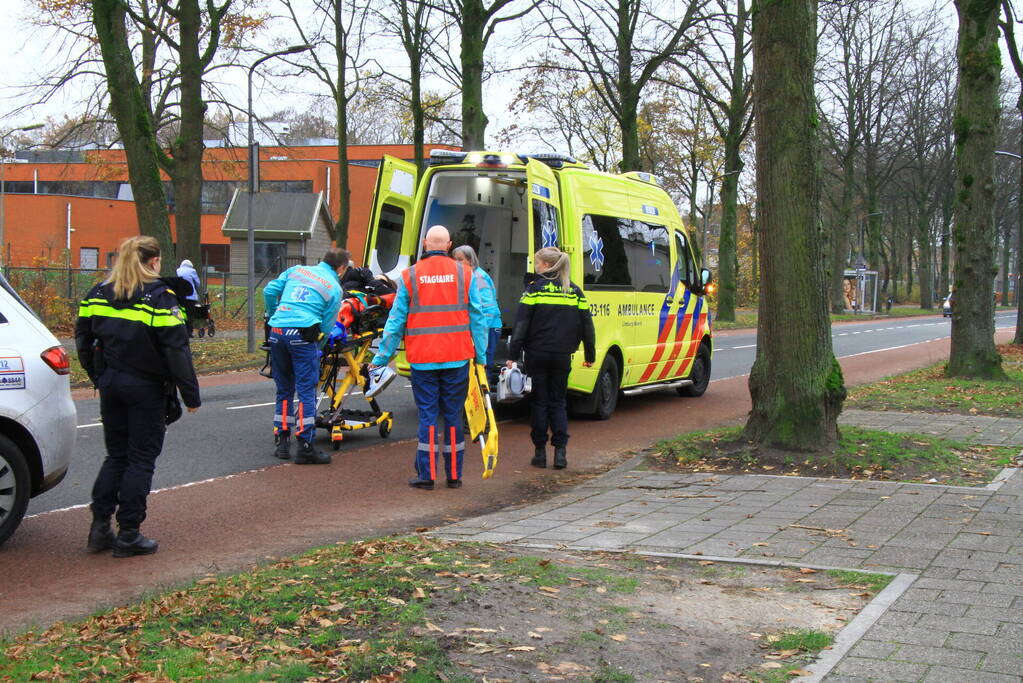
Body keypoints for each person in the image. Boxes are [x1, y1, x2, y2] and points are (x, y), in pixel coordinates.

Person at [75, 236, 201, 558]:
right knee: (140, 459)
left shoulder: (99, 293)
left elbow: (82, 337)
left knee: (116, 456)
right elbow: (176, 350)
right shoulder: (160, 297)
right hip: (146, 388)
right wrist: (190, 395)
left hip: (111, 385)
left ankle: (100, 527)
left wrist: (98, 376)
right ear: (154, 262)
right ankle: (129, 533)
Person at [369, 225, 488, 490]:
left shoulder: (410, 276)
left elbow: (396, 321)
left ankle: (428, 474)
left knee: (428, 416)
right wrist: (480, 355)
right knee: (453, 416)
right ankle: (454, 475)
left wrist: (381, 358)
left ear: (424, 244)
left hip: (423, 359)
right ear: (448, 245)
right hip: (457, 357)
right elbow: (478, 318)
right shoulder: (465, 273)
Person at [507, 246, 595, 470]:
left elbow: (521, 325)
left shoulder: (534, 290)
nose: (535, 267)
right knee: (558, 402)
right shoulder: (574, 291)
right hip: (562, 355)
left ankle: (539, 454)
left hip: (537, 353)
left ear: (545, 265)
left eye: (537, 263)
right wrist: (590, 354)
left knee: (539, 402)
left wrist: (512, 355)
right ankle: (560, 454)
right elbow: (587, 325)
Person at [264, 249, 349, 464]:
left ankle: (282, 443)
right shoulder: (334, 289)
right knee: (306, 392)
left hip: (277, 332)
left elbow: (268, 290)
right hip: (303, 334)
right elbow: (327, 325)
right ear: (341, 268)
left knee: (283, 390)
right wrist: (317, 348)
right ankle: (305, 447)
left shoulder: (296, 270)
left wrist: (275, 315)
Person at [453, 245, 503, 381]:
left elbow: (488, 308)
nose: (456, 263)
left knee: (483, 363)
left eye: (460, 260)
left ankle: (483, 395)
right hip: (483, 327)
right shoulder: (468, 275)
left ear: (470, 260)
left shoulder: (478, 277)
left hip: (489, 327)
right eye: (455, 259)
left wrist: (480, 331)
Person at [176, 259, 202, 337]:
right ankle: (189, 332)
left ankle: (181, 331)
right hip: (191, 296)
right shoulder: (192, 271)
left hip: (180, 296)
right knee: (190, 314)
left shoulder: (177, 271)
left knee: (180, 314)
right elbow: (198, 283)